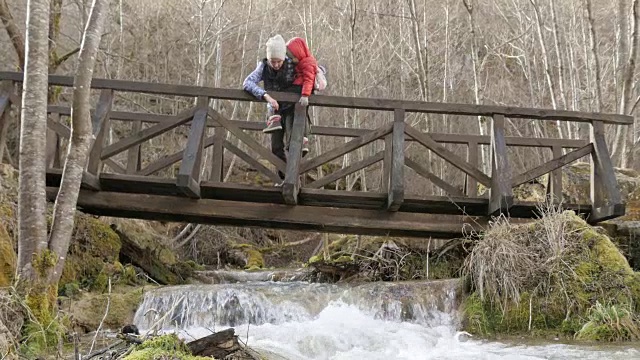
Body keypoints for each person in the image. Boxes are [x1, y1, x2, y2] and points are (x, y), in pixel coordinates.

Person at [243, 34, 310, 184]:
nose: (276, 64)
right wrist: (265, 95)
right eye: (273, 61)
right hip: (275, 111)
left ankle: (293, 180)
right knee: (276, 148)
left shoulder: (293, 63)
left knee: (295, 143)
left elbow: (311, 70)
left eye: (279, 61)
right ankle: (283, 179)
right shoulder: (264, 66)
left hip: (294, 108)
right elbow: (247, 83)